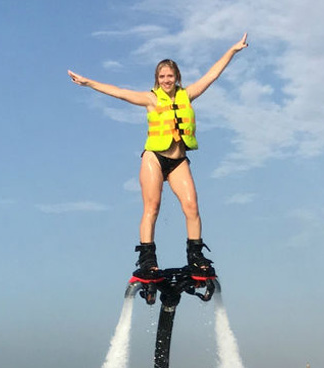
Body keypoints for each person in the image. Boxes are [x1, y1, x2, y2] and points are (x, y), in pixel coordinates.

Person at [68, 33, 248, 280]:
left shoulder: (188, 94)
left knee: (192, 206)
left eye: (170, 76)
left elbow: (212, 75)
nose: (166, 80)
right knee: (152, 207)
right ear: (157, 79)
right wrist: (89, 83)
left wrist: (232, 50)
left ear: (177, 78)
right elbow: (119, 92)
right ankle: (147, 261)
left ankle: (196, 257)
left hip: (178, 161)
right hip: (154, 158)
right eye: (162, 76)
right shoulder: (150, 99)